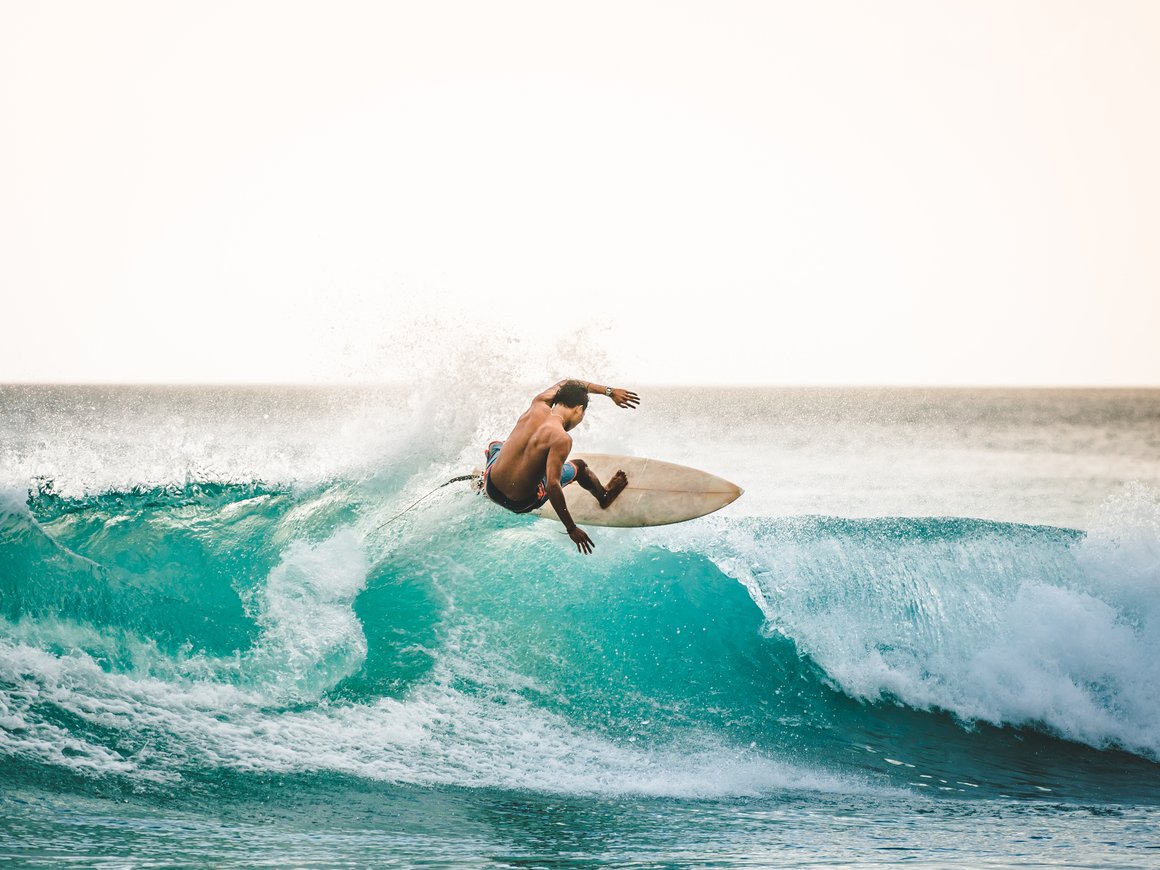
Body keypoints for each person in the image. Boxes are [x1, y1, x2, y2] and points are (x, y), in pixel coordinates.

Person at [483, 379, 641, 554]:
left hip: (491, 487)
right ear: (578, 409)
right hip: (520, 502)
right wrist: (571, 528)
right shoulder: (561, 439)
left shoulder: (539, 403)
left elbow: (567, 381)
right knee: (579, 467)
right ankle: (604, 496)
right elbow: (552, 485)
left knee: (496, 445)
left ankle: (483, 481)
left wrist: (610, 392)